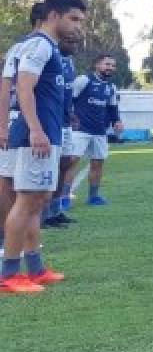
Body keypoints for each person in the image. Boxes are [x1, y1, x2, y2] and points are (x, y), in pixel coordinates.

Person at [1, 0, 86, 293]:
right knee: (27, 203)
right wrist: (37, 130)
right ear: (53, 16)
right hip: (35, 135)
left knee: (33, 202)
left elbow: (9, 87)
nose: (78, 27)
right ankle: (9, 274)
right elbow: (24, 88)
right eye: (74, 19)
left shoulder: (30, 45)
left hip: (26, 133)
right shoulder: (41, 45)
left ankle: (35, 268)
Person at [0, 2, 46, 251]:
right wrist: (3, 126)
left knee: (28, 190)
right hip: (20, 121)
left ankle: (20, 241)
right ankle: (8, 241)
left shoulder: (45, 48)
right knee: (11, 184)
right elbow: (6, 89)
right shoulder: (26, 47)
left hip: (28, 122)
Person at [64, 54, 123, 206]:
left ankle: (93, 196)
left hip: (100, 132)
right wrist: (70, 117)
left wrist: (117, 121)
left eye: (112, 65)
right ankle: (63, 197)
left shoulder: (111, 87)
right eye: (107, 64)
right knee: (72, 162)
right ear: (97, 65)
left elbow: (112, 107)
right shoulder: (84, 80)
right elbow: (69, 99)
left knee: (97, 164)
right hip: (80, 130)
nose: (110, 68)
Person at [43, 31, 81, 227]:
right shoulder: (48, 56)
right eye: (70, 41)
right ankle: (43, 213)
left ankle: (55, 210)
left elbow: (66, 92)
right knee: (47, 167)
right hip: (50, 122)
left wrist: (71, 112)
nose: (74, 44)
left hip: (65, 122)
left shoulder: (70, 63)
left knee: (64, 164)